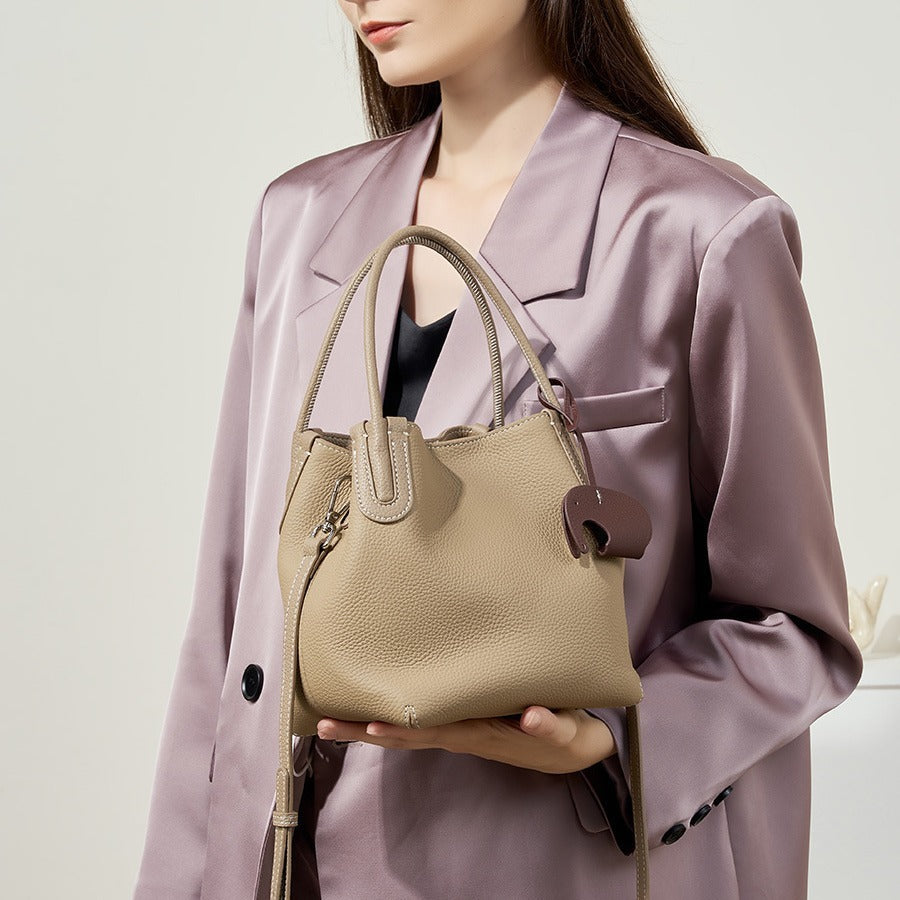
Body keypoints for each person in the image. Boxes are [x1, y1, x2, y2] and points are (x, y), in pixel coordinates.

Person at [133, 2, 864, 898]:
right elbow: (232, 604)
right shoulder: (299, 218)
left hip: (544, 863)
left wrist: (610, 741)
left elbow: (794, 628)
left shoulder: (699, 230)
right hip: (288, 855)